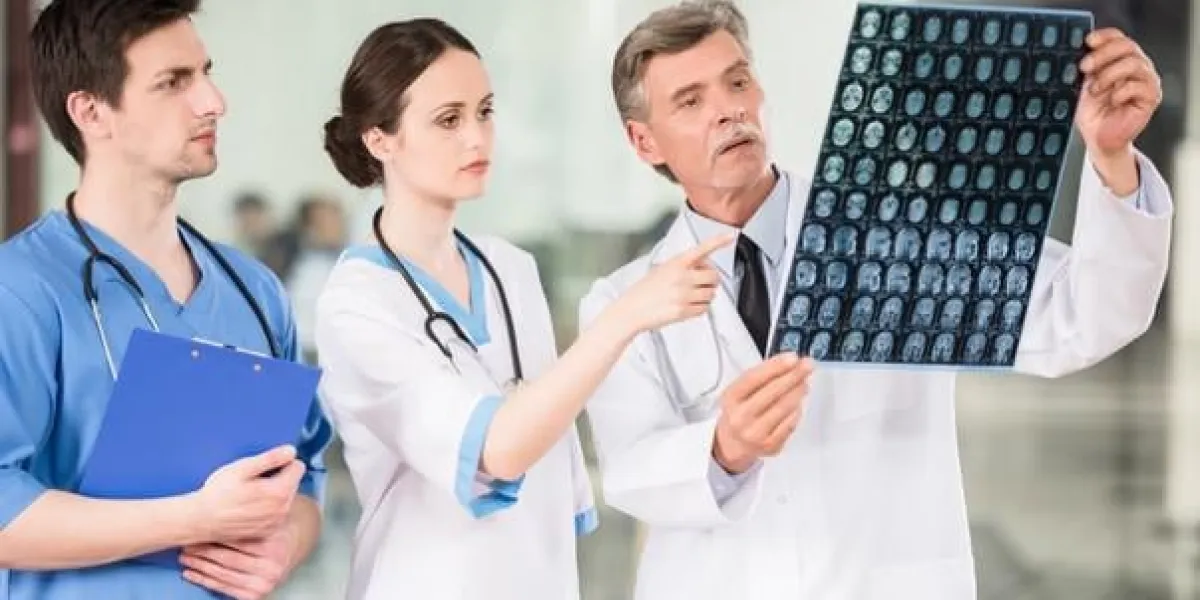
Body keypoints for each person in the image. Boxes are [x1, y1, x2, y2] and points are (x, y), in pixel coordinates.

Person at [578, 2, 1174, 599]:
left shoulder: (897, 239)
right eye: (691, 100)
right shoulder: (623, 303)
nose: (728, 110)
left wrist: (1112, 160)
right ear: (644, 141)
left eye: (737, 81)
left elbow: (1085, 317)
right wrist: (725, 449)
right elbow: (631, 469)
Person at [313, 18, 733, 600]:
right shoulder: (356, 305)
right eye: (448, 120)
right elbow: (497, 450)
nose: (477, 138)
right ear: (379, 139)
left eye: (484, 111)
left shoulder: (510, 269)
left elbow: (554, 478)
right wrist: (627, 316)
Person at [0, 1, 332, 599]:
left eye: (206, 72)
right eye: (174, 82)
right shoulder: (22, 290)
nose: (213, 101)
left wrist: (286, 544)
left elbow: (307, 474)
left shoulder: (254, 292)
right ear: (91, 111)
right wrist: (196, 518)